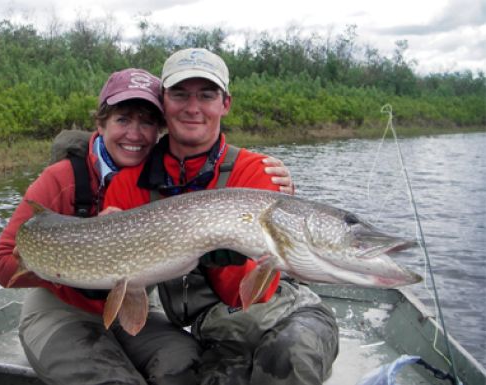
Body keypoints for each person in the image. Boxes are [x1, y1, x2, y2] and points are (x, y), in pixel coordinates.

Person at [0, 67, 294, 385]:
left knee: (189, 370)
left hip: (133, 307)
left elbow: (224, 195)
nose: (135, 134)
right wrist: (82, 264)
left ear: (161, 128)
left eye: (147, 122)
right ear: (101, 123)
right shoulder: (61, 178)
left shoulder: (163, 181)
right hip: (62, 309)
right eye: (123, 119)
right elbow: (2, 264)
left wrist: (278, 189)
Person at [103, 49, 339, 385]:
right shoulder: (128, 186)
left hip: (288, 314)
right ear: (163, 102)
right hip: (213, 331)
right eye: (180, 94)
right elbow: (125, 284)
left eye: (207, 95)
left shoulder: (257, 171)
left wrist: (225, 256)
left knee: (290, 354)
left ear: (225, 103)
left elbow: (252, 297)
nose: (193, 107)